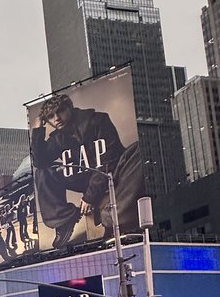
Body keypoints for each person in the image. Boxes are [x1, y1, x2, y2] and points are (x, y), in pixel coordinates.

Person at [31, 92, 143, 250]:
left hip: (115, 172)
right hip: (84, 178)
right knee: (42, 171)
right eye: (50, 116)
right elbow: (39, 161)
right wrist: (37, 130)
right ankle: (64, 220)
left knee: (139, 150)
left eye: (60, 111)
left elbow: (107, 162)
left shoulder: (98, 120)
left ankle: (115, 219)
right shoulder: (58, 137)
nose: (56, 118)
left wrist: (90, 196)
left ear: (69, 108)